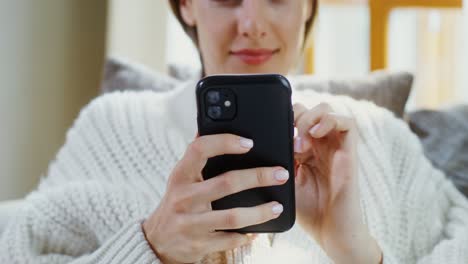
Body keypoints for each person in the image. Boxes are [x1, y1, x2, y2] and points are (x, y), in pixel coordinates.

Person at [1, 0, 468, 263]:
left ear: (308, 7)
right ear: (187, 5)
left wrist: (359, 255)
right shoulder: (113, 124)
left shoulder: (372, 133)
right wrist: (149, 246)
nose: (252, 25)